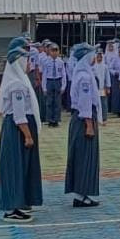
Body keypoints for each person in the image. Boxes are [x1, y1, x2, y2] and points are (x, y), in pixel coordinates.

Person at [0, 42, 43, 223]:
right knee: (15, 167)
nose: (29, 64)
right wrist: (28, 135)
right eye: (26, 60)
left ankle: (18, 204)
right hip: (18, 131)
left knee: (20, 167)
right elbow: (19, 114)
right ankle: (12, 209)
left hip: (18, 129)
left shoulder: (20, 81)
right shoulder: (17, 85)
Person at [65, 43, 104, 208]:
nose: (95, 58)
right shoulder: (85, 77)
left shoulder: (82, 74)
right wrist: (89, 124)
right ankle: (81, 195)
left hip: (82, 118)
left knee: (83, 155)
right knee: (85, 156)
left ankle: (83, 193)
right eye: (92, 55)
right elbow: (85, 102)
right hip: (84, 120)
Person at [41, 43, 67, 127]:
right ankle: (50, 120)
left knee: (57, 102)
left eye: (56, 51)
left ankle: (56, 120)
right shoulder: (46, 61)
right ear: (49, 51)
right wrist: (44, 87)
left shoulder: (60, 62)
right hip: (49, 81)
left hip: (58, 81)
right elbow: (44, 75)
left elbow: (63, 74)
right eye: (53, 51)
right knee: (49, 102)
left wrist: (63, 86)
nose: (54, 53)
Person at [91, 49, 111, 122]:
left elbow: (107, 77)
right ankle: (96, 117)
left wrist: (108, 87)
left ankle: (104, 117)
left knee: (103, 103)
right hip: (94, 88)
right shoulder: (92, 66)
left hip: (102, 88)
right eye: (98, 56)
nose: (99, 58)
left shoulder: (105, 66)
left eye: (100, 57)